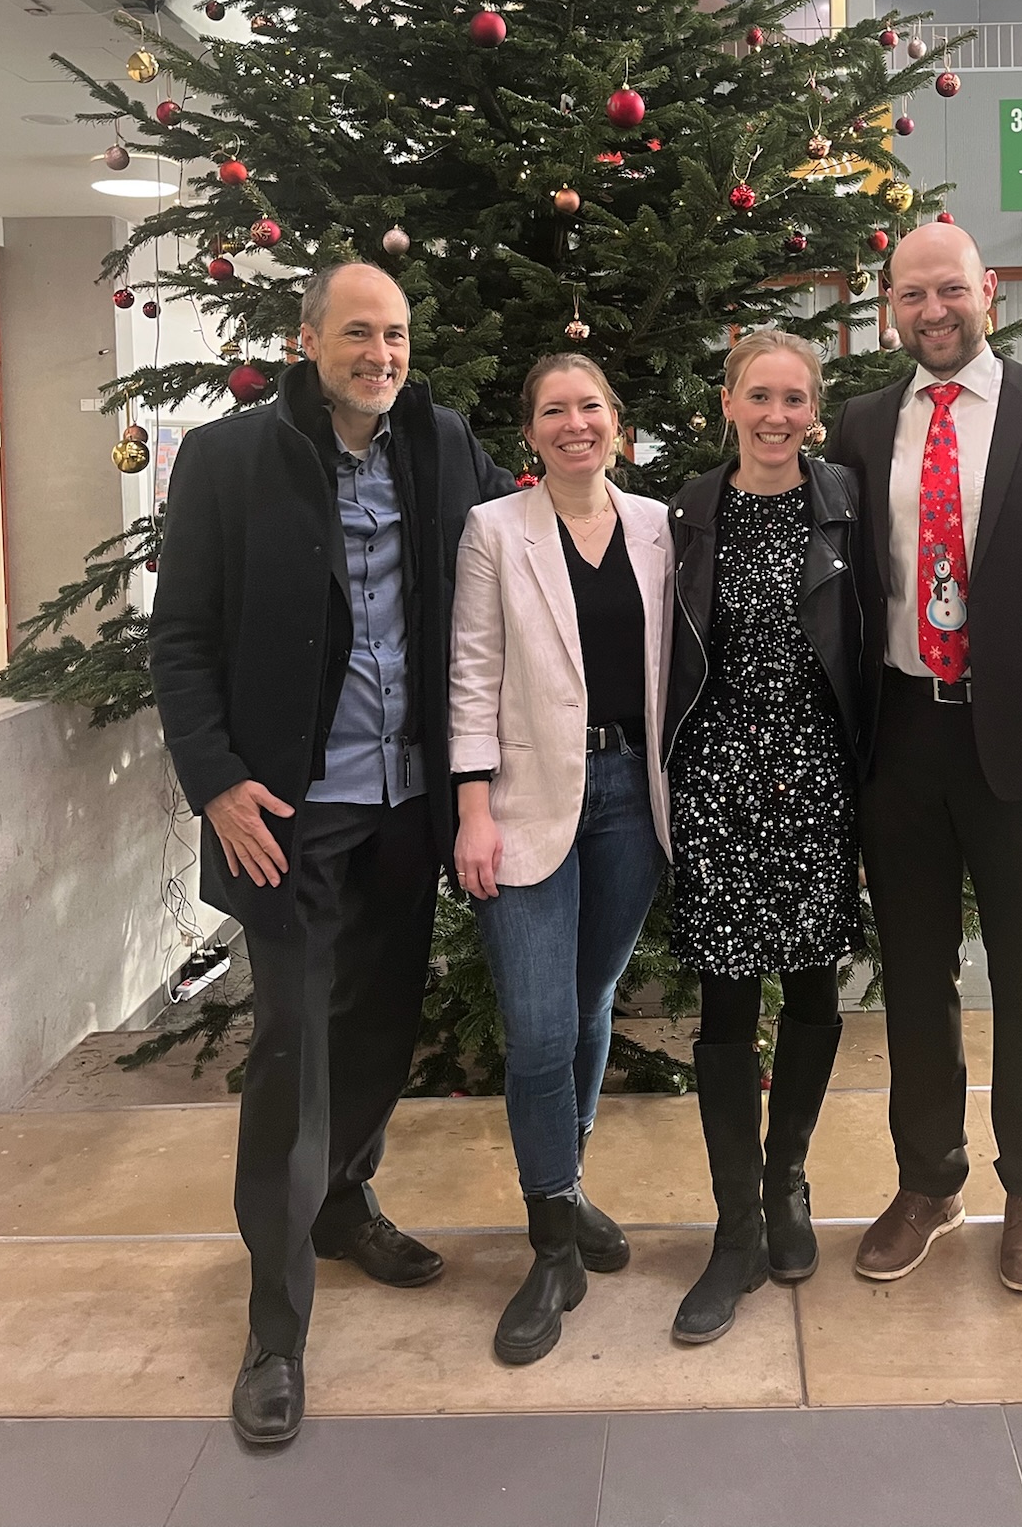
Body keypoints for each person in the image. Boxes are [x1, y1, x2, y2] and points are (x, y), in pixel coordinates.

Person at [149, 260, 515, 1446]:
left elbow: (523, 540)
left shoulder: (441, 443)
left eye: (396, 332)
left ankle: (342, 1201)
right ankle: (275, 1322)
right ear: (308, 339)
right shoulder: (229, 459)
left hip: (407, 802)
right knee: (292, 1047)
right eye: (359, 331)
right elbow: (181, 635)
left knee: (378, 1027)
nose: (381, 352)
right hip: (287, 812)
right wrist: (216, 779)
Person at [825, 222, 1022, 1296]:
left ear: (988, 290)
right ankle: (929, 1182)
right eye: (912, 294)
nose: (932, 310)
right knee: (913, 974)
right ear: (890, 306)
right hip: (901, 734)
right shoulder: (864, 424)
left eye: (949, 288)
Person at [448, 355, 673, 1366]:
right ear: (530, 431)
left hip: (632, 799)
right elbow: (471, 673)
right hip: (524, 798)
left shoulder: (661, 526)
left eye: (590, 406)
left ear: (615, 421)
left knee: (589, 1003)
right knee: (539, 1030)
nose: (574, 423)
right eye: (553, 410)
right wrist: (472, 810)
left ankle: (567, 1185)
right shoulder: (496, 530)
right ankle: (550, 1245)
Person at [663, 329, 865, 1344]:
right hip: (719, 779)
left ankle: (788, 1177)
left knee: (814, 986)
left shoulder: (847, 507)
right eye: (759, 396)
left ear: (813, 410)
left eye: (794, 398)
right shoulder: (690, 513)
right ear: (729, 403)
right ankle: (735, 1224)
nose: (776, 415)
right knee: (729, 1000)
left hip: (819, 775)